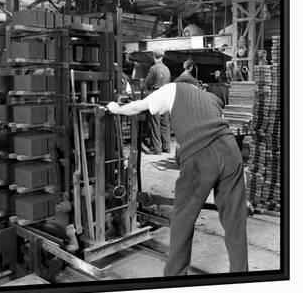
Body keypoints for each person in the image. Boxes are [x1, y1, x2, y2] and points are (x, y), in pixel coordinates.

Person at [106, 82, 248, 276]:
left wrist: (117, 109)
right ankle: (241, 275)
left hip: (200, 157)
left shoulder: (170, 89)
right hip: (231, 152)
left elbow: (139, 106)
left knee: (183, 220)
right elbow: (222, 127)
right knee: (235, 221)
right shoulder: (209, 98)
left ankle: (174, 277)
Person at [143, 49, 171, 154]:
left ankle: (157, 149)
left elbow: (147, 84)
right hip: (166, 97)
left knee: (154, 122)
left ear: (154, 56)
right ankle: (166, 147)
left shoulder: (153, 69)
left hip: (156, 97)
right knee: (165, 123)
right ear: (162, 57)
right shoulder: (167, 69)